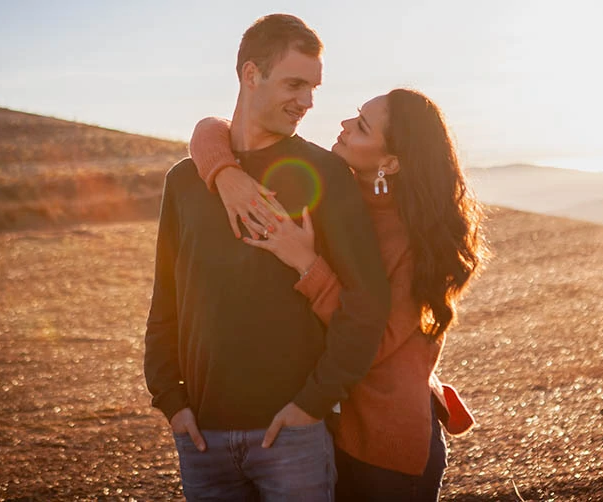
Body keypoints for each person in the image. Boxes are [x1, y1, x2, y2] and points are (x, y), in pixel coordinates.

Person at [189, 87, 486, 501]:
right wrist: (226, 174)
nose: (344, 126)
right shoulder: (341, 191)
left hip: (383, 447)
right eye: (355, 115)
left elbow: (373, 339)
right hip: (332, 431)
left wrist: (307, 264)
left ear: (390, 163)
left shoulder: (417, 242)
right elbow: (211, 128)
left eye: (362, 127)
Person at [143, 14, 391, 501]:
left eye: (313, 88)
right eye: (295, 83)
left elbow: (368, 302)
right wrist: (171, 402)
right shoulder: (186, 181)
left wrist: (313, 405)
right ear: (250, 74)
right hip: (201, 439)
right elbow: (165, 300)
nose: (307, 101)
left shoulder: (325, 172)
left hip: (293, 437)